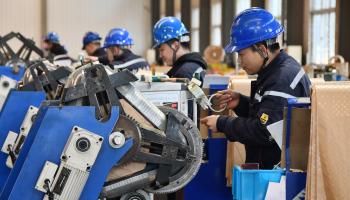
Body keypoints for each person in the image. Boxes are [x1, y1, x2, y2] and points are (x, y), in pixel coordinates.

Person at [200, 8, 311, 169]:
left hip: (275, 178)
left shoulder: (281, 79)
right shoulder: (273, 71)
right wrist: (240, 102)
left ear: (262, 49)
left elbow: (265, 132)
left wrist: (222, 123)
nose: (239, 61)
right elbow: (268, 114)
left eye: (242, 54)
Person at [153, 16, 207, 83]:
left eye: (162, 50)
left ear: (176, 45)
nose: (160, 55)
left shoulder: (183, 73)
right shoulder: (194, 66)